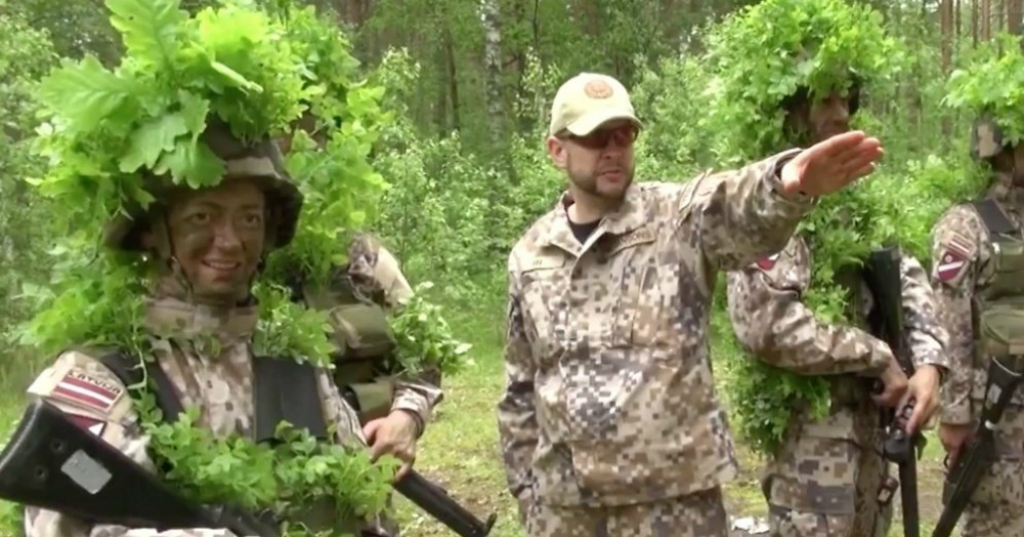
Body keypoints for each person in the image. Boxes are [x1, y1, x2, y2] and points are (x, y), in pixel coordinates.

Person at [496, 70, 885, 537]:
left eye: (623, 135)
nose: (613, 149)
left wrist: (787, 183)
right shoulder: (532, 255)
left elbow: (733, 203)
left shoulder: (674, 217)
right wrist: (528, 494)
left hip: (675, 508)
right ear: (557, 149)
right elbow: (520, 387)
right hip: (567, 511)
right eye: (596, 137)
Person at [21, 116, 403, 536]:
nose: (230, 240)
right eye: (202, 217)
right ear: (154, 231)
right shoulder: (100, 379)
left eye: (249, 219)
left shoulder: (295, 365)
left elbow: (366, 512)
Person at [723, 77, 949, 537]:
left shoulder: (860, 200)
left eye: (847, 100)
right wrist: (876, 355)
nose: (842, 113)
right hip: (812, 447)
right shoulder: (768, 209)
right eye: (826, 100)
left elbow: (906, 275)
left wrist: (928, 364)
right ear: (792, 111)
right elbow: (767, 326)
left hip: (874, 437)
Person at [276, 110, 444, 479]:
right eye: (282, 146)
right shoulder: (221, 259)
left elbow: (425, 354)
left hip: (357, 482)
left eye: (309, 146)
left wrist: (406, 416)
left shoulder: (362, 257)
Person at [929, 114, 1024, 537]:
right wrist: (954, 415)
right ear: (1006, 150)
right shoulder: (967, 226)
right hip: (998, 424)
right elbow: (951, 327)